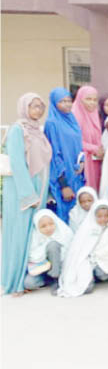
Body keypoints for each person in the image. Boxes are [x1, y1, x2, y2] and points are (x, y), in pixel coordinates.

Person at [2, 93, 52, 295]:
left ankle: (29, 276)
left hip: (38, 187)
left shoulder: (37, 131)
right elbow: (17, 163)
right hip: (22, 191)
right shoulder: (17, 130)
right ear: (24, 107)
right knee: (19, 234)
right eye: (34, 106)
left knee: (33, 236)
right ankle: (14, 282)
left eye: (41, 106)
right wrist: (28, 195)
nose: (38, 110)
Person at [44, 87, 85, 224]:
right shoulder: (52, 123)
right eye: (62, 101)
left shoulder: (72, 119)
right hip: (63, 177)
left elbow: (78, 145)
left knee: (77, 214)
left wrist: (82, 161)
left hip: (76, 174)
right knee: (65, 214)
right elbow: (54, 155)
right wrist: (63, 185)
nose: (67, 104)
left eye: (69, 101)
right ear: (54, 103)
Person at [57, 200, 108, 297]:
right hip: (84, 259)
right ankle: (90, 278)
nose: (103, 219)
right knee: (86, 287)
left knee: (103, 274)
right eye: (99, 216)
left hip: (100, 257)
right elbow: (81, 251)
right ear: (94, 216)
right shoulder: (87, 228)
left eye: (105, 216)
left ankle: (94, 276)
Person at [23, 209, 74, 294]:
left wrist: (53, 252)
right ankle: (48, 279)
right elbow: (33, 256)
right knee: (28, 283)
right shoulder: (35, 236)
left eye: (51, 224)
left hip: (62, 267)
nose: (48, 228)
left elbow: (70, 252)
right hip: (42, 268)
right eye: (43, 226)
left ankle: (55, 278)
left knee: (53, 245)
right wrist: (45, 247)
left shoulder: (64, 232)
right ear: (37, 227)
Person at [72, 86, 103, 190]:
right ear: (80, 99)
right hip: (83, 162)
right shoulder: (75, 116)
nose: (92, 103)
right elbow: (74, 141)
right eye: (88, 99)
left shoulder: (94, 114)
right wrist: (94, 148)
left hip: (95, 160)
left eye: (95, 100)